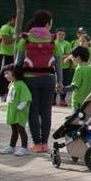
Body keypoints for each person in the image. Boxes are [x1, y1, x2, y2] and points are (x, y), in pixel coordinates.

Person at [15, 10, 64, 153]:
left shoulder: (25, 39)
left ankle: (36, 143)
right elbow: (59, 64)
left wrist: (16, 81)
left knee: (33, 111)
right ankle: (44, 143)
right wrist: (59, 82)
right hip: (49, 79)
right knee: (46, 112)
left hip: (30, 79)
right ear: (48, 23)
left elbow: (18, 63)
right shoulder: (53, 40)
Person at [0, 64, 32, 156]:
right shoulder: (12, 84)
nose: (5, 75)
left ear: (14, 73)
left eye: (7, 73)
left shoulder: (21, 85)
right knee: (14, 130)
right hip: (12, 112)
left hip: (19, 112)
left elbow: (26, 97)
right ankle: (12, 146)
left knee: (21, 129)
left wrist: (21, 106)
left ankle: (24, 148)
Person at [63, 46, 91, 111]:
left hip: (78, 101)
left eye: (73, 57)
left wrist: (62, 89)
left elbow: (74, 86)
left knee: (75, 120)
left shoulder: (79, 68)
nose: (72, 59)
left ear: (78, 57)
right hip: (88, 101)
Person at [0, 16, 17, 102]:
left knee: (13, 74)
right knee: (3, 74)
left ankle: (8, 92)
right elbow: (6, 41)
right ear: (11, 19)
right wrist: (16, 37)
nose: (16, 22)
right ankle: (1, 94)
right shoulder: (5, 28)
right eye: (15, 20)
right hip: (5, 54)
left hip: (14, 55)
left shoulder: (15, 29)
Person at [54, 29, 72, 107]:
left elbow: (68, 55)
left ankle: (62, 100)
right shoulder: (53, 43)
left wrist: (58, 56)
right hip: (54, 67)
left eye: (63, 34)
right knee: (53, 83)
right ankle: (53, 99)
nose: (61, 36)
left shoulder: (67, 44)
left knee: (63, 84)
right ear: (56, 35)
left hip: (65, 67)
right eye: (60, 34)